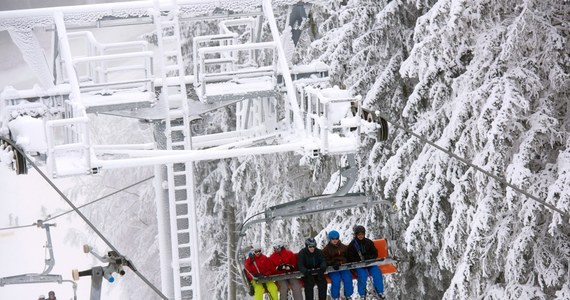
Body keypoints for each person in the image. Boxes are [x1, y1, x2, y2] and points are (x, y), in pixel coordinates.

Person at [347, 225, 385, 299]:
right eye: (359, 234)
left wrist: (368, 258)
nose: (361, 236)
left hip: (369, 263)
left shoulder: (368, 242)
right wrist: (359, 260)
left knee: (377, 272)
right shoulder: (352, 245)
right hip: (359, 265)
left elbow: (375, 253)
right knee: (362, 275)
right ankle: (362, 294)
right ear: (356, 235)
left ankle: (380, 291)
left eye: (362, 234)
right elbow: (350, 257)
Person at [322, 230, 354, 300]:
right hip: (333, 268)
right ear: (330, 239)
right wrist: (332, 263)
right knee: (336, 280)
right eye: (333, 239)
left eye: (336, 238)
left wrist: (345, 262)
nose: (335, 240)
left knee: (347, 278)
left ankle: (348, 295)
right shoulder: (326, 249)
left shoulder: (343, 247)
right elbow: (324, 260)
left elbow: (348, 257)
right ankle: (335, 297)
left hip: (343, 267)